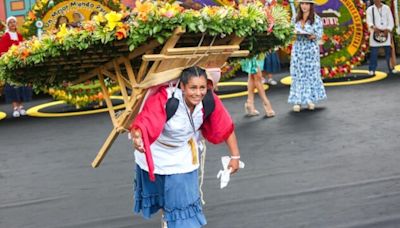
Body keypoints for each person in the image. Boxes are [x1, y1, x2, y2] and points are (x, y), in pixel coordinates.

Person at [130, 66, 241, 228]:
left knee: (183, 207)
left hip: (183, 157)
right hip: (156, 153)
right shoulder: (165, 98)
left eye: (202, 87)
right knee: (165, 200)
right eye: (193, 88)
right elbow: (146, 120)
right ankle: (167, 220)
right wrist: (138, 136)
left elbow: (225, 125)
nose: (198, 93)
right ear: (182, 87)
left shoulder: (209, 100)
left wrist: (235, 156)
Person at [288, 0, 326, 112]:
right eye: (302, 3)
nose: (304, 6)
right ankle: (297, 101)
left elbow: (320, 34)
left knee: (311, 74)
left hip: (310, 50)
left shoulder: (316, 19)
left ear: (311, 5)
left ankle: (310, 100)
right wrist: (294, 33)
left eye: (307, 4)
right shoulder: (295, 18)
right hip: (298, 49)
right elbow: (290, 32)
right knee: (298, 74)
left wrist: (313, 36)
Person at [0, 16, 32, 117]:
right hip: (10, 64)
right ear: (8, 25)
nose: (12, 24)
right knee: (12, 86)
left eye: (14, 22)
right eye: (10, 23)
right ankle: (15, 107)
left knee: (21, 85)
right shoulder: (5, 37)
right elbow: (2, 51)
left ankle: (21, 106)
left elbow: (23, 47)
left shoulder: (20, 36)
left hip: (20, 64)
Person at [366, 0, 398, 75]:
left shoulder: (386, 8)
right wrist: (373, 27)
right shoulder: (370, 9)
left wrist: (388, 29)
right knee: (374, 52)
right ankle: (372, 69)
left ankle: (391, 68)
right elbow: (369, 21)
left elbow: (390, 20)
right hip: (375, 32)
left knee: (388, 52)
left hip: (386, 32)